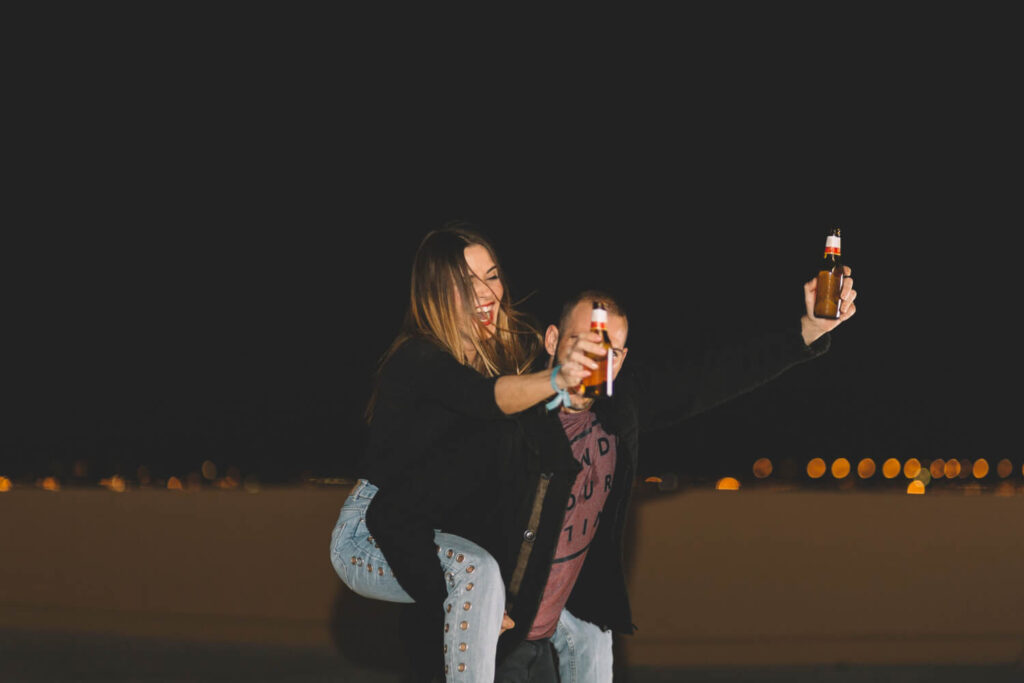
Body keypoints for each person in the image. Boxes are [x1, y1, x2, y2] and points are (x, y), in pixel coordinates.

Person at [441, 269, 857, 682]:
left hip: (569, 618)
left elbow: (716, 374)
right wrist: (473, 602)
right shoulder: (514, 414)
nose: (595, 357)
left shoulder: (624, 407)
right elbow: (455, 507)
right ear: (552, 340)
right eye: (582, 341)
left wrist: (807, 330)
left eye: (610, 351)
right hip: (502, 628)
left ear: (620, 360)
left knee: (592, 637)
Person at [328, 224, 603, 683]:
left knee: (565, 616)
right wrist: (555, 379)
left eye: (491, 276)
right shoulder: (417, 360)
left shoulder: (503, 360)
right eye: (466, 283)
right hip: (367, 533)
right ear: (437, 294)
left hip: (429, 531)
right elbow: (483, 399)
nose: (486, 292)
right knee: (478, 575)